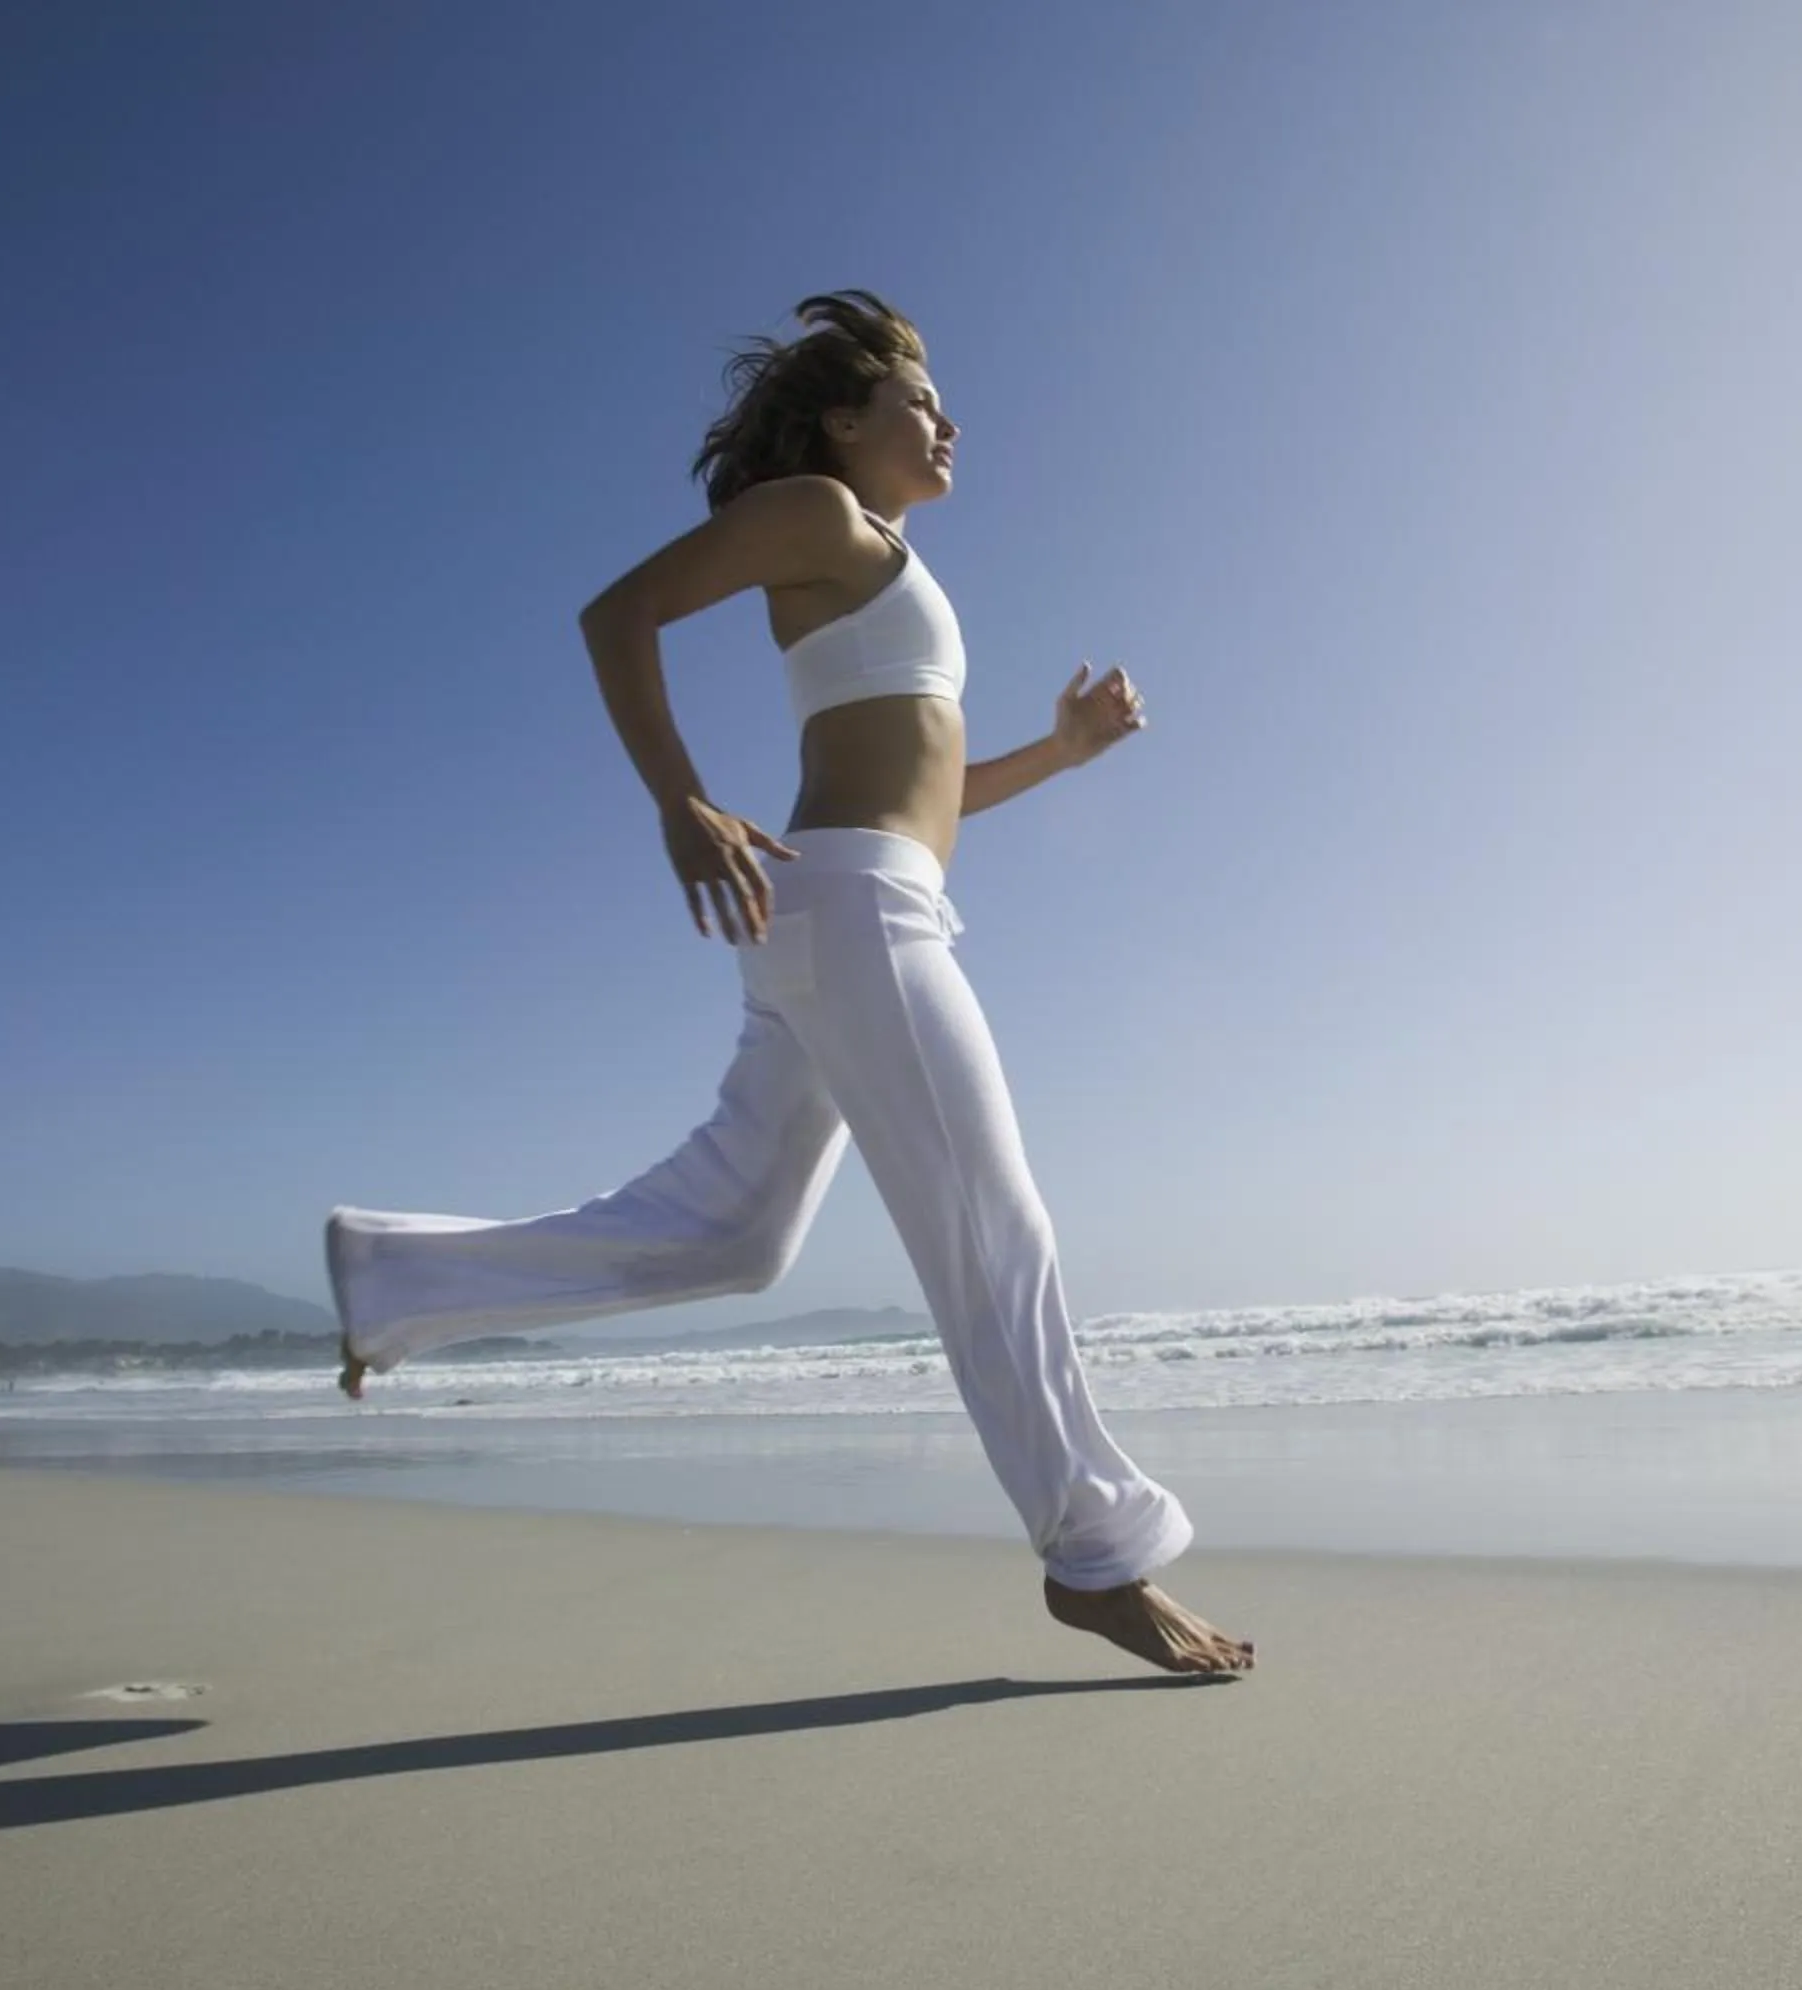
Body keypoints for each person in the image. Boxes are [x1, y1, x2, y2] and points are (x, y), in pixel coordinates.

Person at [325, 292, 1251, 1676]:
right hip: (860, 913)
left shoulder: (883, 563)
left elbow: (931, 790)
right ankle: (1097, 1554)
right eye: (918, 400)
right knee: (992, 1227)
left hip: (856, 905)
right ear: (840, 421)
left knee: (735, 1235)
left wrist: (1061, 754)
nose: (948, 421)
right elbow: (618, 615)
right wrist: (681, 799)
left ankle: (393, 1280)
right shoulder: (820, 514)